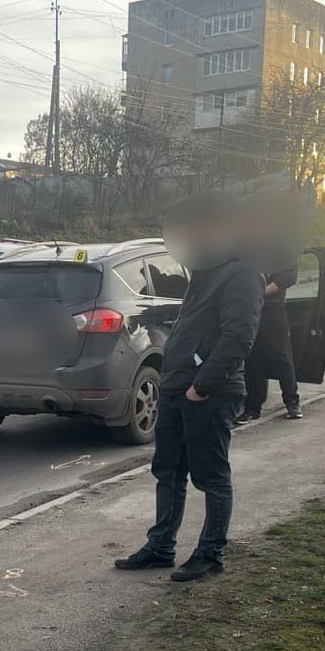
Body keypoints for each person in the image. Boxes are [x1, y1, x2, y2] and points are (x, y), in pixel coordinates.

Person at [115, 190, 262, 582]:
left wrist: (203, 386)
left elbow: (238, 339)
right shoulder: (204, 271)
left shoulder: (243, 274)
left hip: (209, 393)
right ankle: (161, 547)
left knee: (211, 476)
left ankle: (210, 552)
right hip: (177, 388)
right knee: (168, 472)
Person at [237, 189, 304, 423]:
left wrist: (263, 292)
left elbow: (289, 277)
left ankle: (292, 402)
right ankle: (252, 407)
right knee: (252, 358)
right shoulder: (245, 246)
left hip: (273, 309)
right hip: (250, 311)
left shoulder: (281, 245)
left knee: (281, 356)